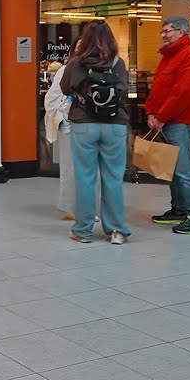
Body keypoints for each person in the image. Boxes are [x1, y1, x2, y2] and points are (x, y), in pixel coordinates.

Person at [61, 20, 130, 245]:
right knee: (113, 178)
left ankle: (83, 230)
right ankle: (117, 231)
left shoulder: (74, 63)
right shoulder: (118, 63)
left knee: (85, 178)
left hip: (84, 124)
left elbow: (64, 88)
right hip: (115, 125)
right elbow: (123, 90)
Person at [146, 17, 190, 235]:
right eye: (162, 31)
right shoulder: (168, 57)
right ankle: (179, 210)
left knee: (184, 171)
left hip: (179, 123)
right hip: (165, 121)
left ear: (181, 32)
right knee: (172, 171)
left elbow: (183, 93)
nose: (163, 35)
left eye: (167, 31)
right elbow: (159, 89)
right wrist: (151, 112)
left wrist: (161, 116)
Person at [44, 58, 74, 221]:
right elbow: (52, 97)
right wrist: (61, 118)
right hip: (70, 125)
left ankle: (85, 206)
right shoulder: (65, 70)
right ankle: (70, 207)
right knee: (69, 168)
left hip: (87, 126)